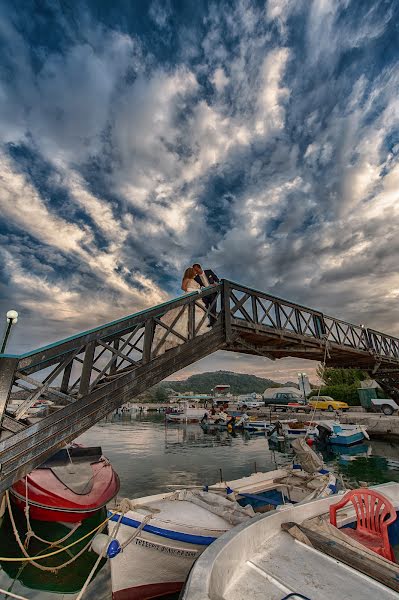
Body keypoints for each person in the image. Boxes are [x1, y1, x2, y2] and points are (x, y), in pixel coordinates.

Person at [152, 267, 209, 355]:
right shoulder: (187, 279)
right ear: (190, 272)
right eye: (194, 271)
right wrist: (195, 290)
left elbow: (206, 285)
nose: (195, 273)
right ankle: (184, 337)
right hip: (190, 298)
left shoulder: (196, 280)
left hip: (197, 300)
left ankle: (193, 333)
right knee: (182, 318)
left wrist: (200, 286)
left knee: (197, 317)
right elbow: (184, 288)